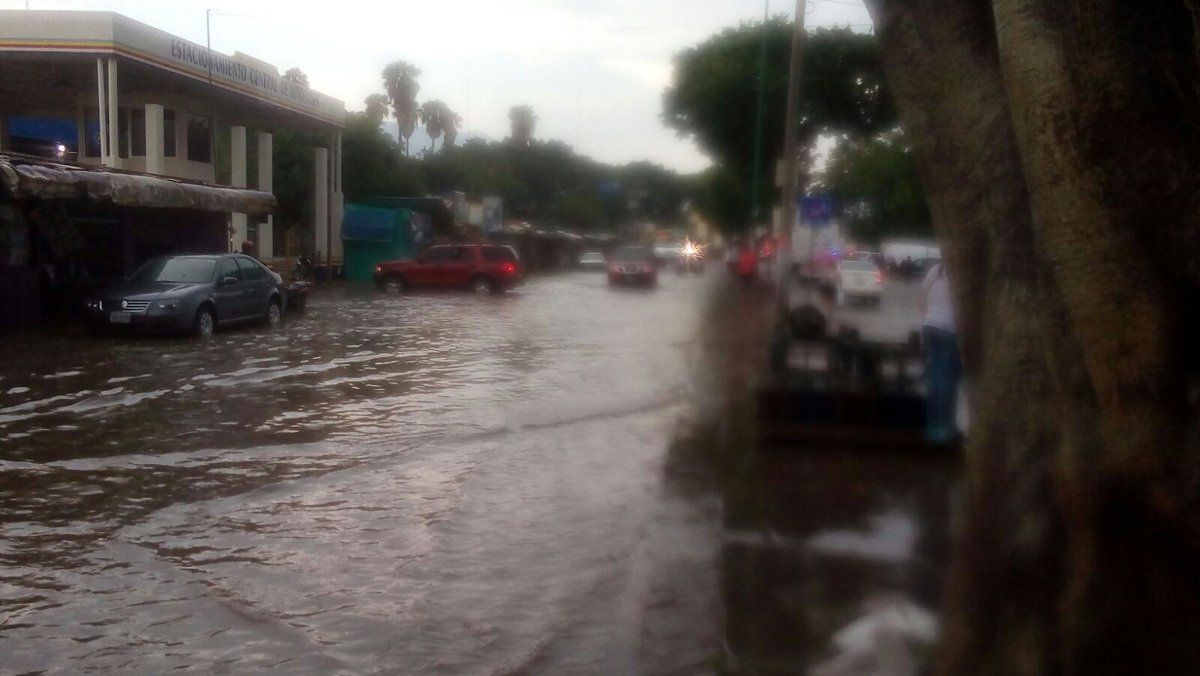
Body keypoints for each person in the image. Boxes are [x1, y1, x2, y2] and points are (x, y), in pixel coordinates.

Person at [920, 261, 961, 444]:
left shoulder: (936, 270)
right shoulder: (961, 273)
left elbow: (922, 295)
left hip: (930, 326)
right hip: (949, 329)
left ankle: (933, 426)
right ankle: (944, 428)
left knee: (935, 378)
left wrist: (927, 315)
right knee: (947, 381)